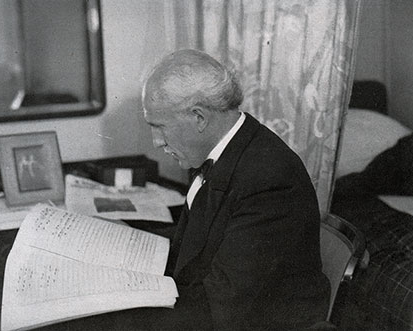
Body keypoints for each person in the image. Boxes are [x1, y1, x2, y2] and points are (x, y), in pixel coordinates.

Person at [137, 49, 331, 330]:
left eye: (160, 127)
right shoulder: (222, 150)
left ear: (199, 118)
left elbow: (222, 308)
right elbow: (198, 243)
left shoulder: (270, 179)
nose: (156, 141)